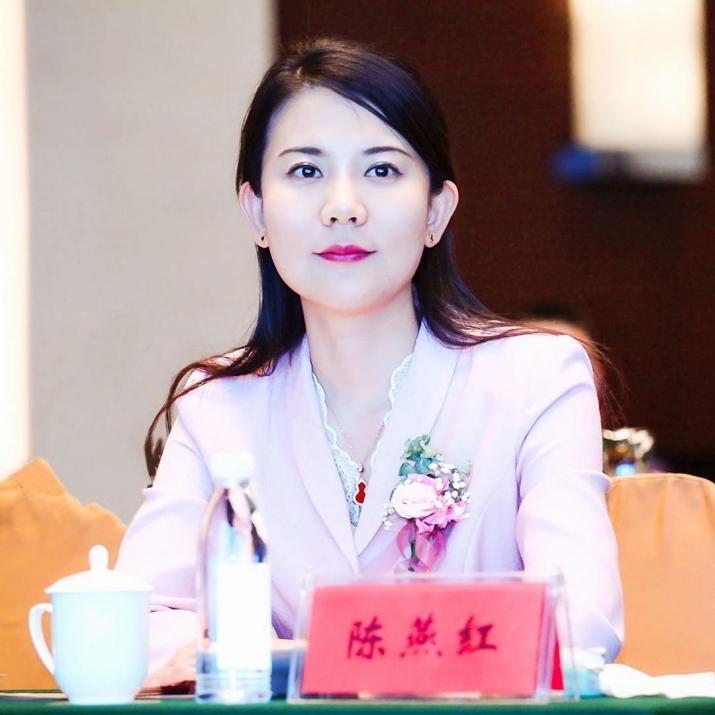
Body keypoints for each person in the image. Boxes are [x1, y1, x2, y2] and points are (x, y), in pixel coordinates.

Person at [116, 37, 624, 687]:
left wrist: (310, 656)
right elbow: (145, 616)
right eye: (306, 172)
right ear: (256, 211)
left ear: (436, 210)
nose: (343, 206)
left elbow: (583, 623)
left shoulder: (536, 378)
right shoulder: (216, 404)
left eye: (381, 171)